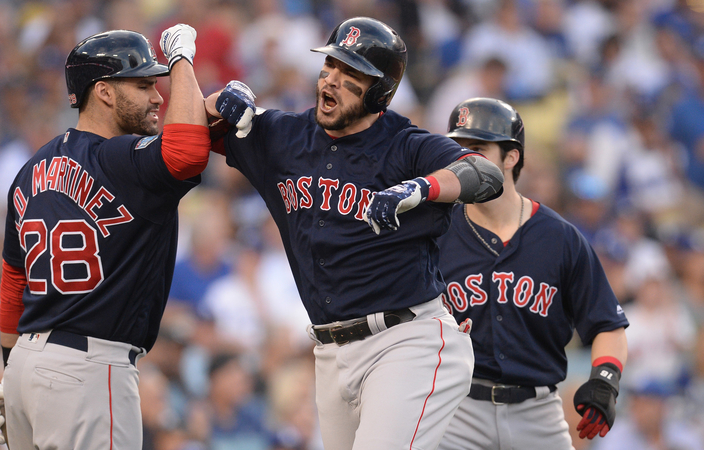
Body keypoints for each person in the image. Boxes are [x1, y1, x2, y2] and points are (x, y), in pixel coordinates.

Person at [196, 17, 504, 450]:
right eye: (331, 66)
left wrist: (420, 187)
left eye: (352, 74)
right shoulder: (285, 135)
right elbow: (191, 126)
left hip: (406, 341)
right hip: (329, 351)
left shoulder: (405, 145)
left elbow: (485, 174)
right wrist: (222, 99)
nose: (333, 79)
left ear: (380, 91)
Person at [0, 26, 223, 449]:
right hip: (89, 372)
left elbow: (13, 285)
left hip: (27, 364)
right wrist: (182, 57)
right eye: (144, 84)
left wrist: (11, 373)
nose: (158, 96)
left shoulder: (30, 168)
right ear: (105, 92)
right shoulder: (124, 160)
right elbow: (186, 151)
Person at [434, 98, 630, 449]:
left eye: (477, 148)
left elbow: (607, 323)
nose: (463, 160)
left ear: (511, 157)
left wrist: (605, 378)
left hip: (537, 412)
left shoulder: (560, 238)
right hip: (456, 409)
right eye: (457, 148)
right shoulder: (435, 232)